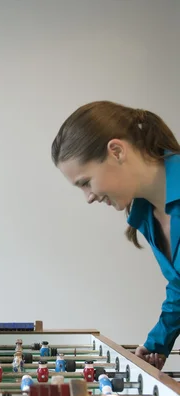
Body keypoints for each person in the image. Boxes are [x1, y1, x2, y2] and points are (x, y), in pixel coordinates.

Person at [51, 100, 180, 370]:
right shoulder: (145, 214)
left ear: (117, 151)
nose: (88, 197)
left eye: (85, 182)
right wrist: (157, 345)